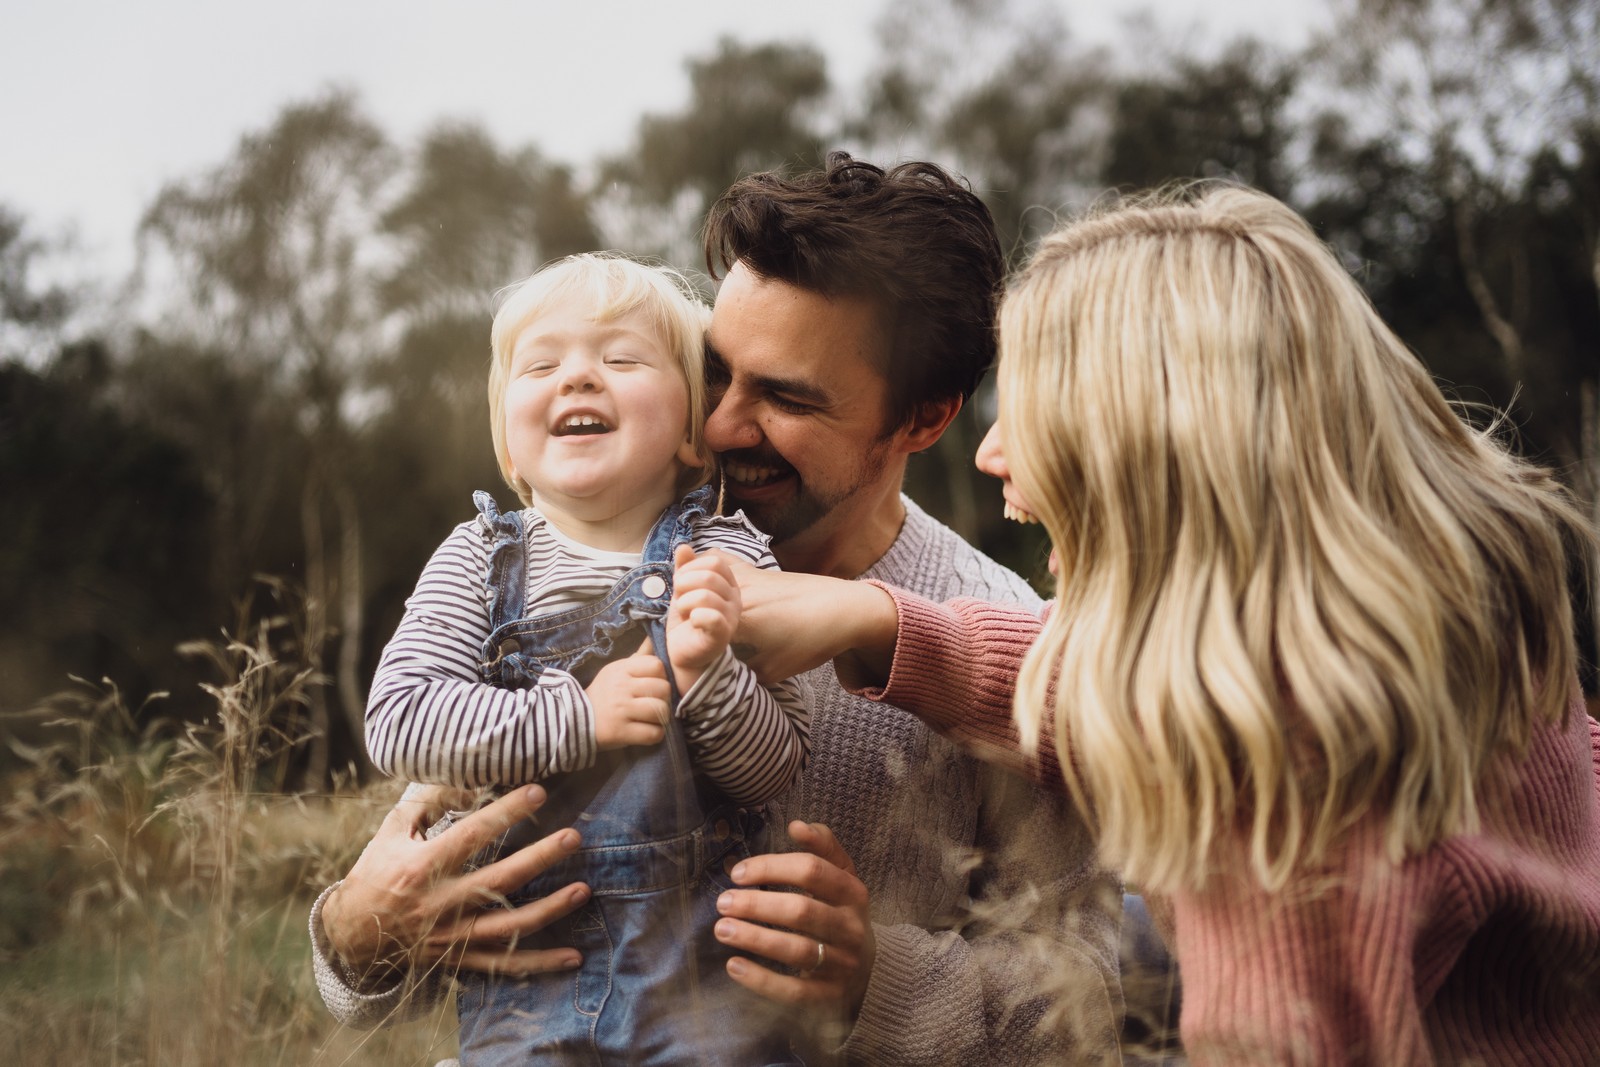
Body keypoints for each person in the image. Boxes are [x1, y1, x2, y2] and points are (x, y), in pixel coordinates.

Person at [731, 184, 1600, 1065]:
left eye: (1034, 410)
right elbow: (1127, 685)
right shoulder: (1404, 630)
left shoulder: (1297, 799)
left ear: (1154, 452)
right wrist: (885, 623)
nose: (994, 452)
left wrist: (877, 976)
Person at [310, 155, 1123, 1065]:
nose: (724, 424)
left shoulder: (1004, 637)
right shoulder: (565, 556)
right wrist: (358, 934)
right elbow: (427, 912)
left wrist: (874, 980)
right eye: (713, 370)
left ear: (924, 420)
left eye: (785, 396)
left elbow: (1088, 995)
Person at [354, 252, 811, 1065]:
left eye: (622, 358)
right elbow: (399, 721)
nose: (578, 378)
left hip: (713, 987)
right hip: (531, 987)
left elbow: (773, 770)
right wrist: (577, 714)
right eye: (542, 364)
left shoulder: (726, 554)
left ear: (688, 433)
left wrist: (710, 677)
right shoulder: (479, 560)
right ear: (510, 447)